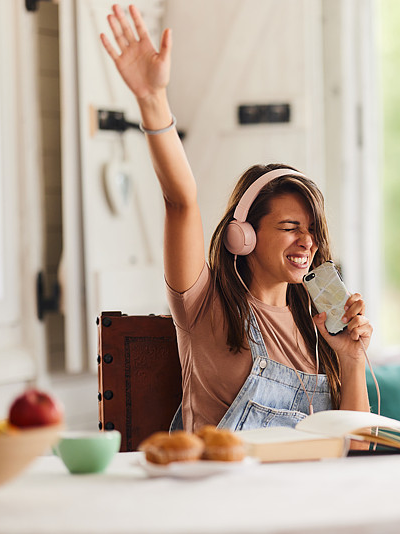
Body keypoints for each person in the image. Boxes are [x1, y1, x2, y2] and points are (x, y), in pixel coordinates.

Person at [100, 4, 371, 432]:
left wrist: (351, 359)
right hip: (223, 477)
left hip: (312, 478)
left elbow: (357, 447)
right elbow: (180, 201)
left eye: (312, 231)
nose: (307, 242)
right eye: (290, 228)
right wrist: (152, 100)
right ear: (243, 235)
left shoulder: (319, 330)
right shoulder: (204, 306)